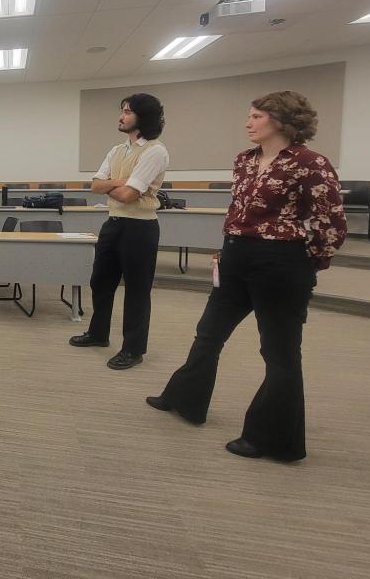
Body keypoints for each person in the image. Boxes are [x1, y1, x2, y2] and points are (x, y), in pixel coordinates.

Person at [147, 91, 346, 462]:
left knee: (279, 351)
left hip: (281, 263)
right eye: (250, 116)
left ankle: (273, 440)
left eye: (256, 116)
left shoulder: (310, 163)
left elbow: (330, 222)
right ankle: (184, 398)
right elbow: (239, 210)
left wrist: (308, 264)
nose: (248, 122)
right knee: (209, 332)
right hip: (236, 255)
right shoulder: (245, 160)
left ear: (282, 120)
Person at [69, 94, 169, 370]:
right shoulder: (117, 150)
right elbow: (94, 186)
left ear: (143, 117)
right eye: (122, 110)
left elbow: (127, 195)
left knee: (137, 290)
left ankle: (133, 349)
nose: (121, 116)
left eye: (127, 112)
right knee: (100, 282)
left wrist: (112, 184)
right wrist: (121, 181)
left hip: (140, 227)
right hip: (113, 223)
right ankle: (98, 334)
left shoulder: (155, 151)